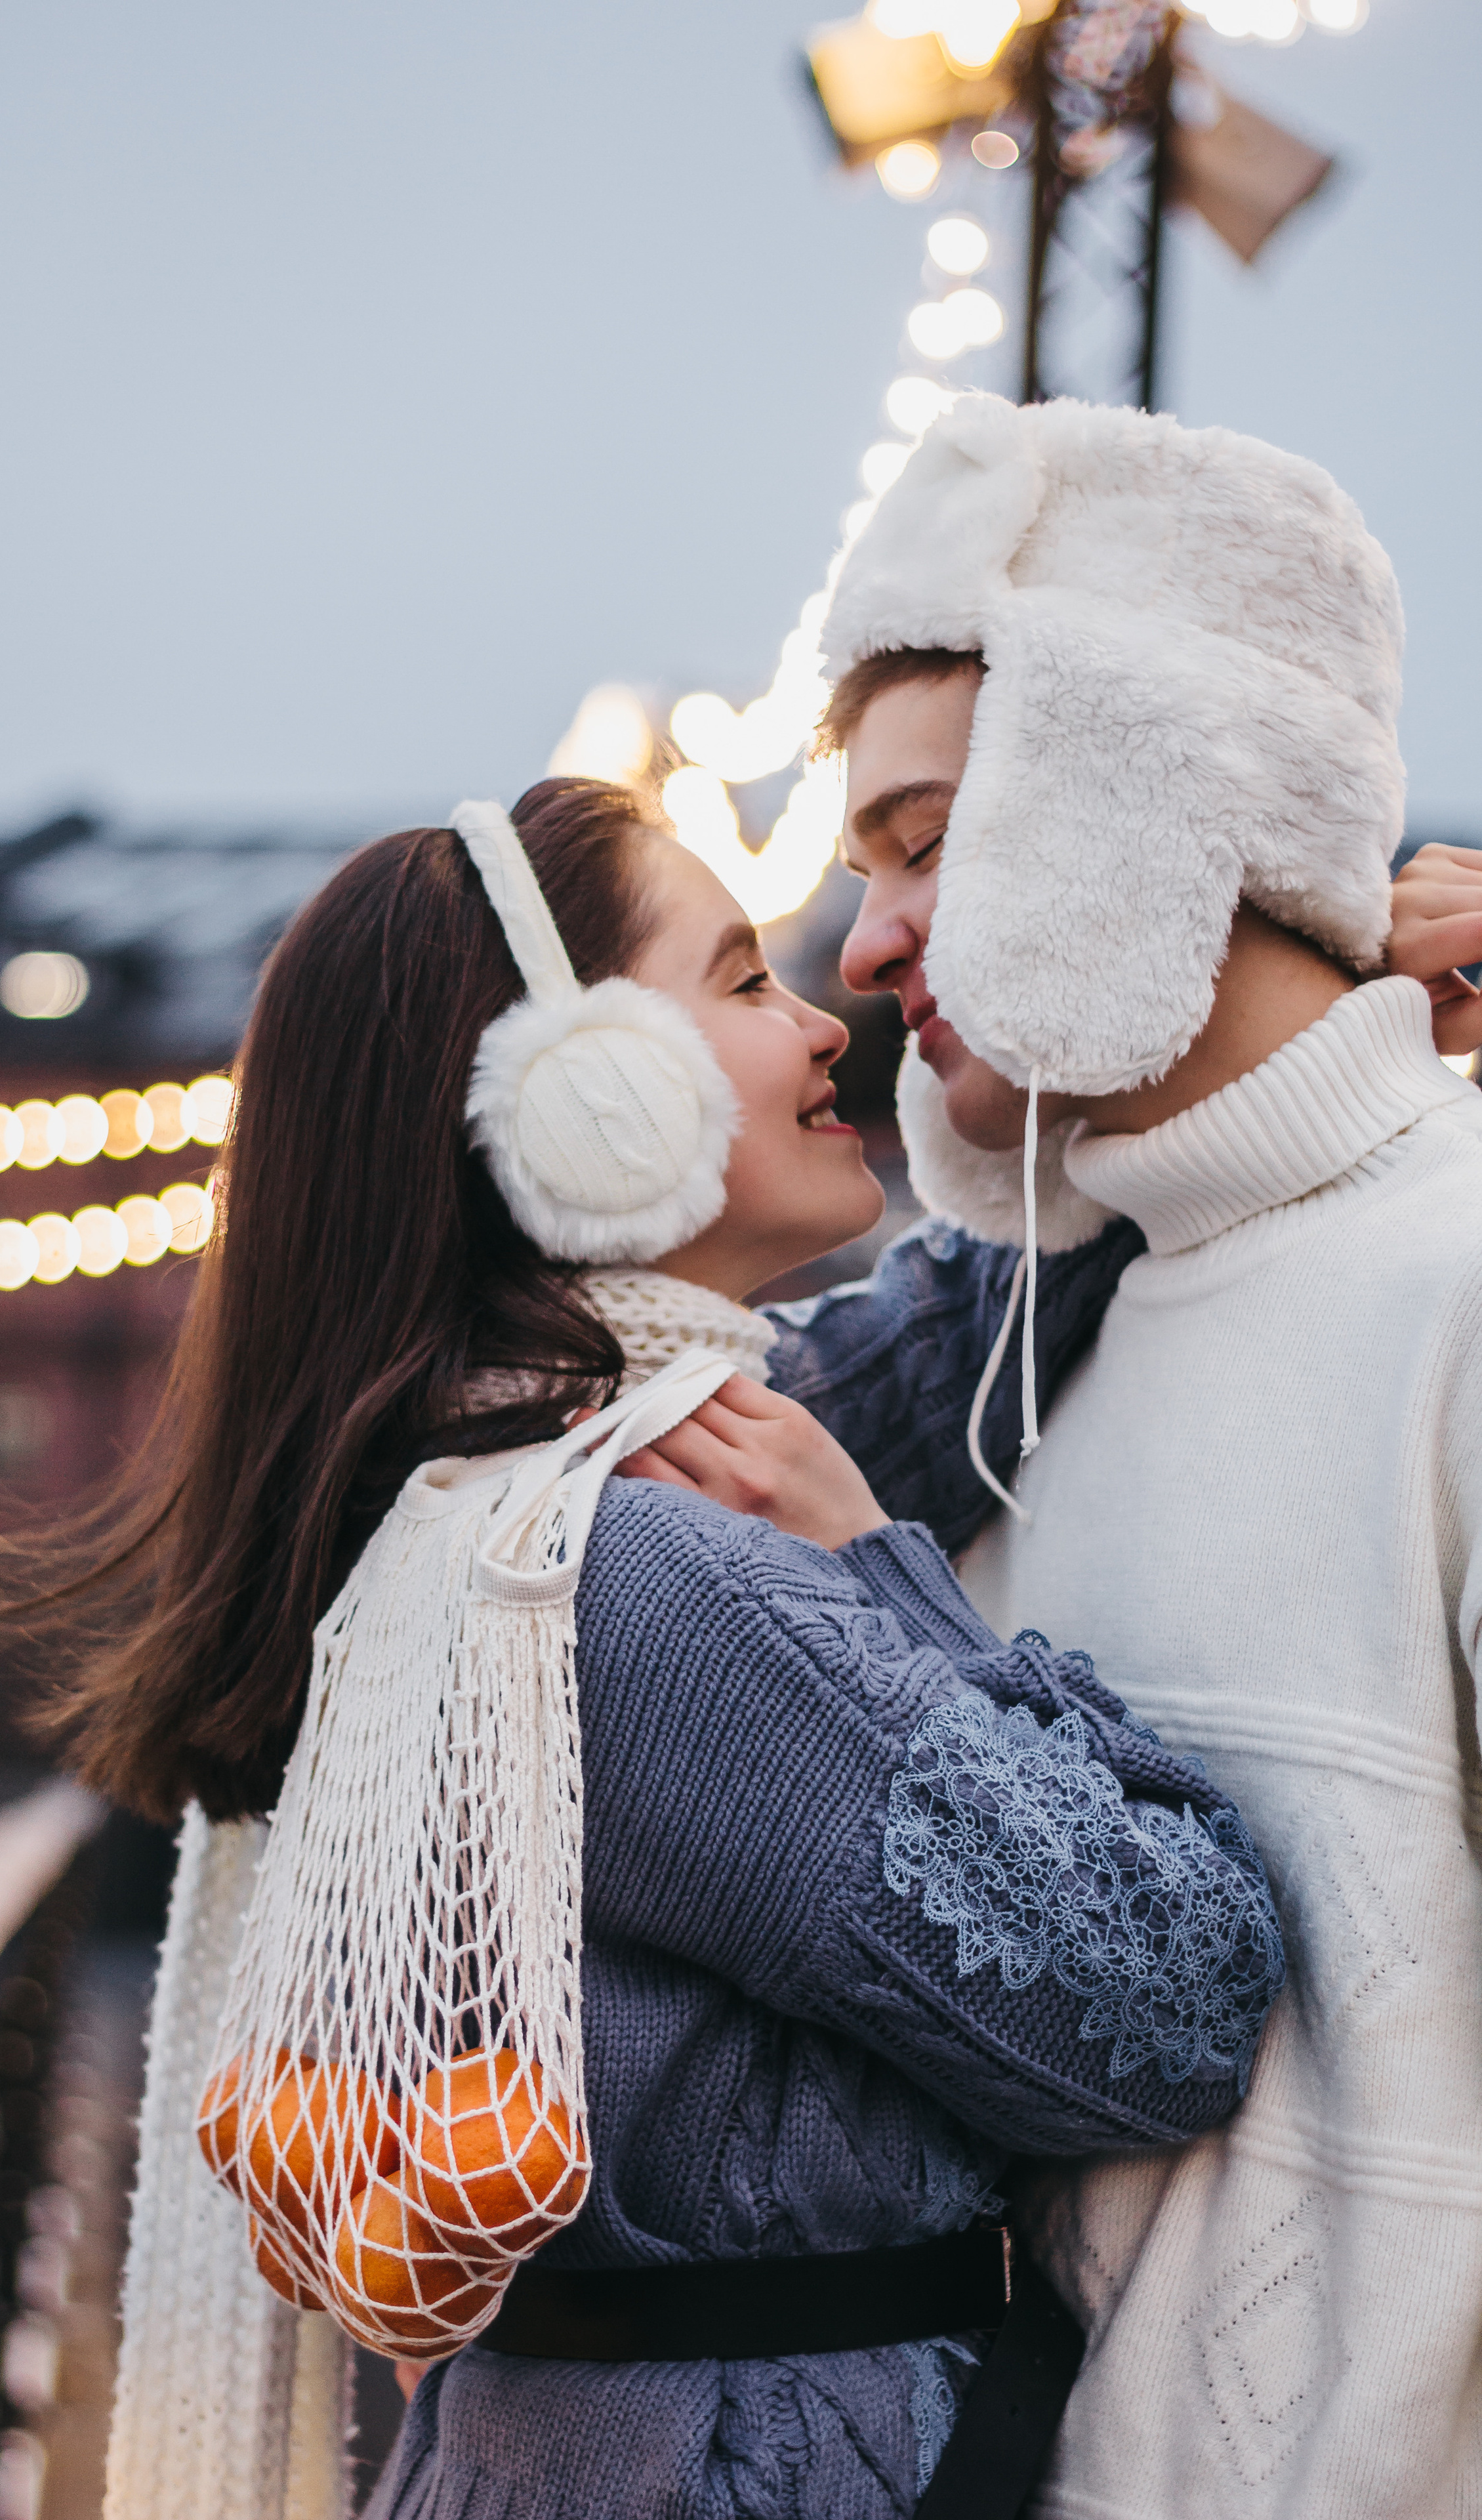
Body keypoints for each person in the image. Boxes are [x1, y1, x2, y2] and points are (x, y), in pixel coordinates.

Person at [0, 778, 1282, 2520]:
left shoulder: (459, 1504)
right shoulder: (649, 1585)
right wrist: (885, 1581)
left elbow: (947, 1344)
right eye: (735, 979)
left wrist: (1243, 1043)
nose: (823, 1015)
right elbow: (1166, 2006)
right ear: (577, 1107)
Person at [795, 389, 1482, 2520]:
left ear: (1135, 776)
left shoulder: (1458, 1282)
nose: (866, 944)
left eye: (928, 841)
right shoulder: (1029, 1360)